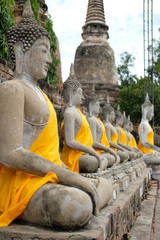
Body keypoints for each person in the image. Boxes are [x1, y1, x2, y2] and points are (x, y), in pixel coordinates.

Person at [0, 1, 110, 229]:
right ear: (21, 49)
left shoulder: (43, 96)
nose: (49, 60)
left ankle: (89, 193)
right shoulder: (12, 89)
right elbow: (9, 153)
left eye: (50, 52)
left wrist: (68, 174)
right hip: (22, 182)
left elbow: (51, 151)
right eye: (44, 51)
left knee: (106, 185)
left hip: (48, 177)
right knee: (75, 205)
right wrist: (67, 176)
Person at [86, 92, 120, 167]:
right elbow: (93, 142)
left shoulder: (97, 121)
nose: (99, 108)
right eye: (97, 105)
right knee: (113, 158)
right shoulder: (91, 120)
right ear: (91, 105)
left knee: (115, 157)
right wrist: (108, 149)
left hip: (102, 151)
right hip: (96, 151)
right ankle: (100, 168)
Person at [102, 96, 129, 163]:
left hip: (114, 149)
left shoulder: (110, 126)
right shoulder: (107, 126)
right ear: (108, 114)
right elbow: (109, 141)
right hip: (110, 149)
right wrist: (122, 148)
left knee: (129, 154)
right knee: (126, 155)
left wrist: (124, 148)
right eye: (112, 114)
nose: (113, 116)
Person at [138, 93, 160, 163]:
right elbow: (144, 142)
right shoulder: (143, 125)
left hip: (150, 152)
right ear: (146, 112)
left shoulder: (147, 124)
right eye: (151, 112)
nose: (153, 115)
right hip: (145, 153)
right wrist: (157, 149)